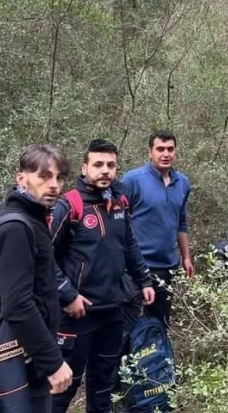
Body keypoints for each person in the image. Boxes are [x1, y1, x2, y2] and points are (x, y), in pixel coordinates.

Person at [50, 139, 156, 413]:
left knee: (103, 385)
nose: (105, 170)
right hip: (76, 314)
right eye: (98, 165)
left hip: (113, 309)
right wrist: (68, 295)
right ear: (84, 168)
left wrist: (143, 279)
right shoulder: (69, 205)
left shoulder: (119, 202)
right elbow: (43, 258)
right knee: (65, 386)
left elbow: (129, 244)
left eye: (111, 165)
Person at [0, 144, 73, 412]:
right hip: (18, 359)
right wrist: (52, 362)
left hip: (24, 355)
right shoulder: (16, 227)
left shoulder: (29, 217)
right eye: (44, 176)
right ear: (20, 178)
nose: (54, 185)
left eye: (59, 177)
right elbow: (18, 305)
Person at [122, 130, 193, 328]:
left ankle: (156, 359)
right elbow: (118, 220)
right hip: (135, 267)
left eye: (170, 149)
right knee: (127, 326)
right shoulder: (132, 180)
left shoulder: (183, 183)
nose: (165, 154)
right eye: (160, 149)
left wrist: (186, 257)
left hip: (167, 267)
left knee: (159, 326)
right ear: (150, 152)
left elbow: (181, 220)